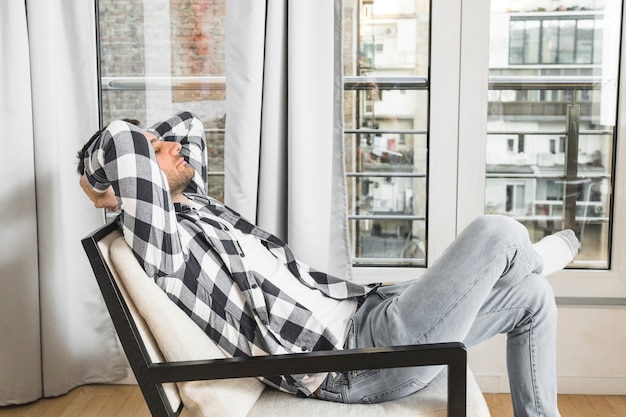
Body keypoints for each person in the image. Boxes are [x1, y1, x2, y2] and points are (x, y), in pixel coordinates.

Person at [77, 111, 579, 417]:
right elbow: (123, 145)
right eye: (156, 151)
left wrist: (149, 151)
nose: (176, 147)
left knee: (532, 298)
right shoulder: (166, 247)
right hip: (359, 362)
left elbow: (187, 125)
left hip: (370, 317)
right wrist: (100, 182)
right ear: (132, 175)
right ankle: (528, 259)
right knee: (499, 232)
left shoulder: (199, 207)